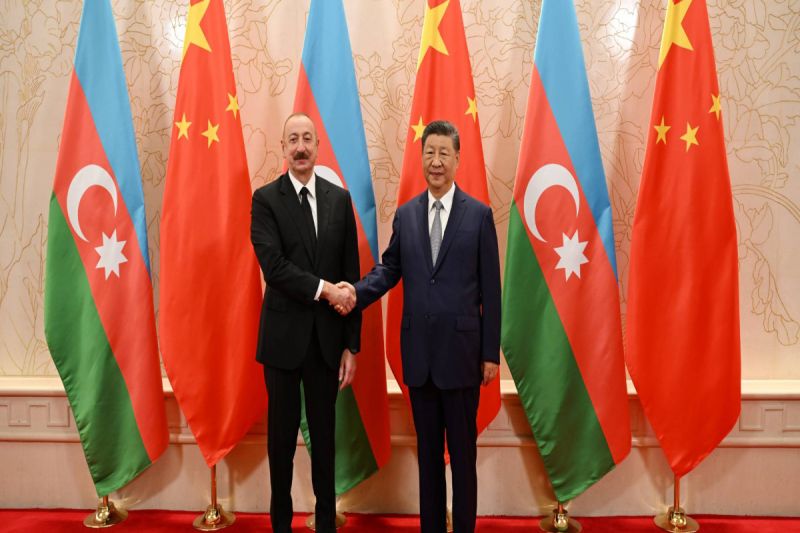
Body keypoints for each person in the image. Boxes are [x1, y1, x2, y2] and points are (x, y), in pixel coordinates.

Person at [339, 120, 501, 533]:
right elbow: (389, 269)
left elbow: (492, 291)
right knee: (428, 459)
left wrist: (489, 354)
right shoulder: (407, 215)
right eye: (429, 152)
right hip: (420, 358)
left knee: (462, 458)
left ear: (458, 159)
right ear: (421, 157)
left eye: (444, 153)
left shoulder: (479, 216)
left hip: (463, 359)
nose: (436, 161)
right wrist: (356, 292)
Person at [250, 112, 360, 533]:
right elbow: (274, 268)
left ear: (317, 146)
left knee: (325, 442)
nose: (300, 147)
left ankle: (326, 523)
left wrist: (351, 344)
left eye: (307, 139)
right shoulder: (265, 200)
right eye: (293, 139)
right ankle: (281, 525)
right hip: (282, 342)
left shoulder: (339, 200)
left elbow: (350, 274)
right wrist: (325, 290)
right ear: (283, 148)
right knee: (280, 444)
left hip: (326, 343)